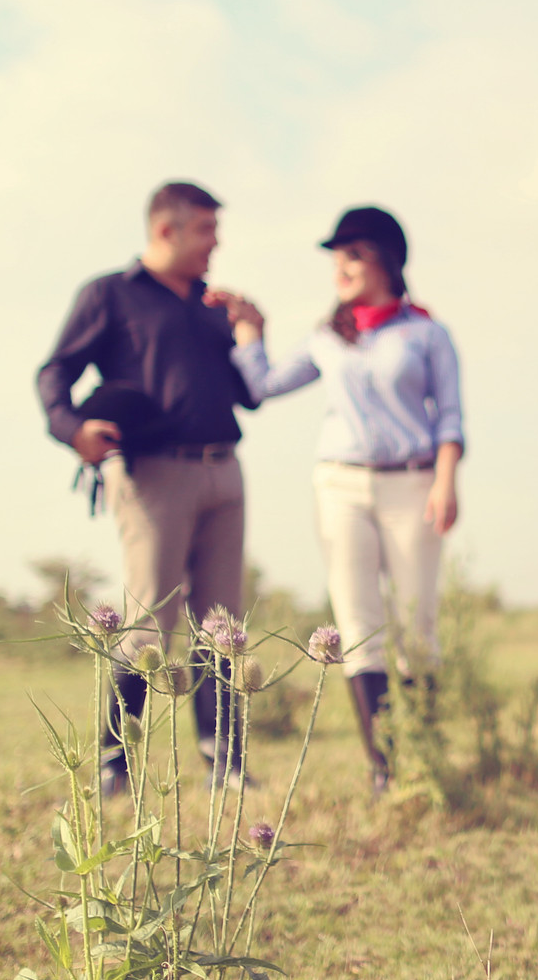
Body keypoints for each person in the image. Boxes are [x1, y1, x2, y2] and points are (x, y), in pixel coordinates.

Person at [224, 206, 463, 794]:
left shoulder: (427, 333)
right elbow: (263, 386)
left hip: (412, 483)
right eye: (337, 256)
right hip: (340, 485)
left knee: (417, 623)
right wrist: (251, 333)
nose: (342, 266)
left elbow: (450, 415)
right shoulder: (329, 336)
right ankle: (384, 767)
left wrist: (446, 480)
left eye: (353, 254)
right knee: (358, 625)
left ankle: (421, 754)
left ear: (386, 258)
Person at [36, 180, 257, 792]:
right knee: (150, 619)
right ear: (168, 229)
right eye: (207, 230)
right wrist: (73, 430)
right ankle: (117, 763)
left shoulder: (211, 307)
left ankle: (226, 766)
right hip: (153, 474)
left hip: (225, 469)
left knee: (222, 623)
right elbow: (55, 371)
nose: (217, 244)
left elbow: (245, 393)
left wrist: (249, 332)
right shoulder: (110, 295)